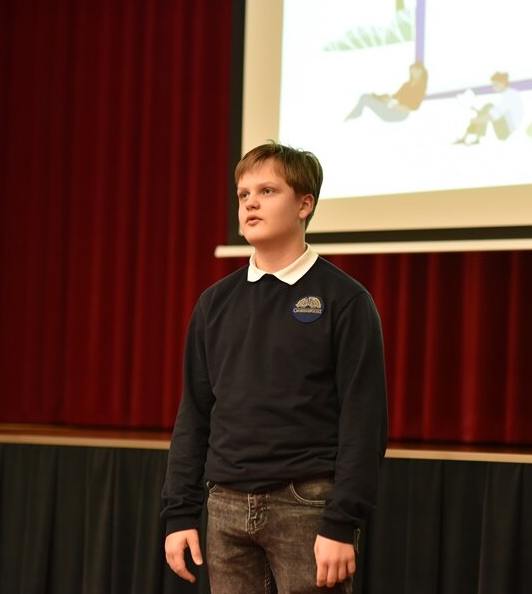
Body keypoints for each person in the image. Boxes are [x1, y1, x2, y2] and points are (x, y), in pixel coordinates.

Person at [162, 141, 388, 593]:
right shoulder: (215, 303)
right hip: (225, 506)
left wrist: (342, 521)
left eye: (267, 191)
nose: (251, 203)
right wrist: (180, 512)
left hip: (306, 506)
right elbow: (195, 413)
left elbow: (364, 420)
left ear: (304, 205)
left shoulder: (345, 300)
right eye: (243, 194)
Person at [453, 72, 524, 144]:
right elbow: (499, 114)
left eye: (495, 84)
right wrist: (479, 114)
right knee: (484, 111)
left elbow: (494, 114)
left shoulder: (510, 95)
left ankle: (471, 138)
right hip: (507, 129)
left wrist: (477, 120)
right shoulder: (510, 94)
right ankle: (473, 138)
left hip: (506, 132)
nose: (494, 87)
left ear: (502, 83)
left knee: (488, 107)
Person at [344, 61, 428, 121]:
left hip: (398, 115)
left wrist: (391, 103)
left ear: (422, 72)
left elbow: (413, 106)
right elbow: (396, 96)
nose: (414, 73)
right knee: (365, 96)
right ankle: (357, 113)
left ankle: (356, 114)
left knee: (365, 99)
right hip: (392, 108)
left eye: (416, 71)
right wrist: (382, 97)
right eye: (412, 71)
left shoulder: (421, 87)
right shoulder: (406, 85)